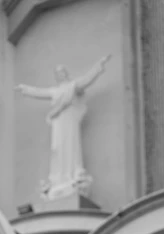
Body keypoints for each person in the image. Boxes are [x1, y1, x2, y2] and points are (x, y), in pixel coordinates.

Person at [15, 56, 110, 200]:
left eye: (62, 72)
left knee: (71, 147)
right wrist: (25, 89)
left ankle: (73, 176)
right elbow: (39, 92)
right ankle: (58, 180)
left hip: (70, 122)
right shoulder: (55, 91)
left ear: (66, 73)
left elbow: (86, 80)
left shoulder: (72, 86)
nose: (60, 74)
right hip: (58, 124)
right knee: (57, 150)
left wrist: (98, 67)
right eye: (57, 73)